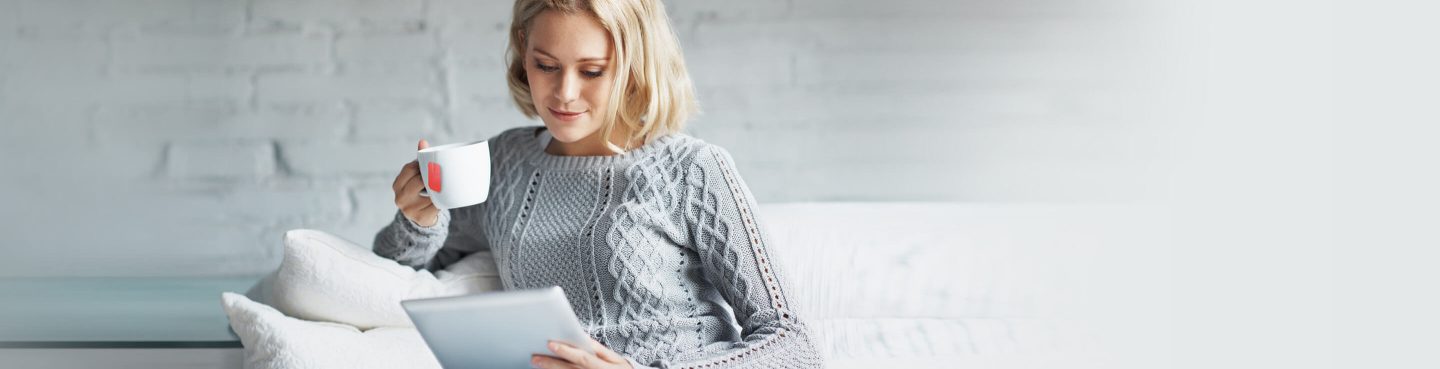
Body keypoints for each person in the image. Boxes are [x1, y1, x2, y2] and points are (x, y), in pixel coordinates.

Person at [373, 0, 824, 368]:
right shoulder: (504, 163)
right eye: (546, 66)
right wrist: (418, 219)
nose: (565, 93)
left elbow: (795, 345)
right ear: (523, 51)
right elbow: (394, 272)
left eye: (592, 71)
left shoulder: (693, 169)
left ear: (634, 67)